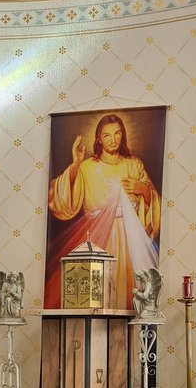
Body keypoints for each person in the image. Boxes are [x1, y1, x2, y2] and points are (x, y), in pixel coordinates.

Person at [47, 113, 161, 310]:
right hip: (99, 239)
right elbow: (63, 202)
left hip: (130, 240)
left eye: (117, 133)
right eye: (107, 135)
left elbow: (154, 206)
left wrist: (143, 190)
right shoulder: (87, 167)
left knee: (131, 288)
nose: (113, 139)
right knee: (101, 291)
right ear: (99, 138)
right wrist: (75, 165)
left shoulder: (134, 164)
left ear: (123, 135)